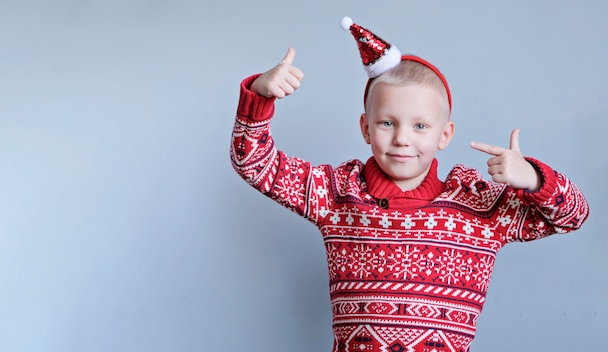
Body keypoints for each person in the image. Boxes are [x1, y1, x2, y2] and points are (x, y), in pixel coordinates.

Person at [230, 17, 589, 352]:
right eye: (387, 123)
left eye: (420, 126)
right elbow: (256, 164)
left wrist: (534, 179)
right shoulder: (337, 194)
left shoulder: (480, 207)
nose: (402, 138)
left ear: (445, 134)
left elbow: (573, 216)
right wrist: (260, 97)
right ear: (366, 128)